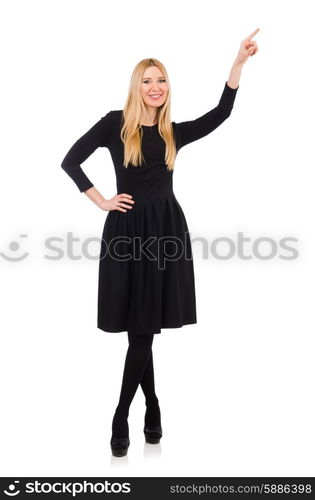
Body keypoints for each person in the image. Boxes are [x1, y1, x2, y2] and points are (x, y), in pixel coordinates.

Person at [60, 30, 259, 457]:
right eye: (148, 80)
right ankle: (150, 405)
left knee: (143, 326)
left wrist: (238, 63)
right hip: (126, 231)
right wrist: (103, 202)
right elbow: (70, 161)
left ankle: (122, 413)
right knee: (139, 324)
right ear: (137, 86)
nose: (156, 87)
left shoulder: (172, 132)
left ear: (167, 88)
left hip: (165, 230)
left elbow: (221, 113)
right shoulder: (116, 123)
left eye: (162, 80)